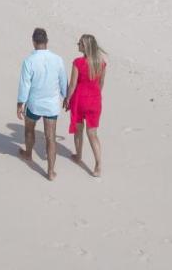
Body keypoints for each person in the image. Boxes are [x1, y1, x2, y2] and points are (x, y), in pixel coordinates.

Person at [16, 27, 68, 180]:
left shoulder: (29, 61)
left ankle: (28, 153)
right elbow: (63, 81)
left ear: (33, 41)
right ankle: (50, 171)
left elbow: (25, 84)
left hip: (34, 103)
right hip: (51, 104)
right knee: (50, 137)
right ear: (47, 41)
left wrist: (20, 103)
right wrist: (66, 97)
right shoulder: (58, 59)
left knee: (29, 129)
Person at [65, 34, 106, 177]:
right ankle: (98, 165)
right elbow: (101, 84)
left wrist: (67, 99)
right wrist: (94, 96)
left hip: (79, 100)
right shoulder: (101, 63)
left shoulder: (78, 62)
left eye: (80, 43)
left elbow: (72, 85)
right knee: (93, 133)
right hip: (95, 101)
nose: (78, 45)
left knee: (78, 130)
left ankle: (78, 155)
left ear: (85, 46)